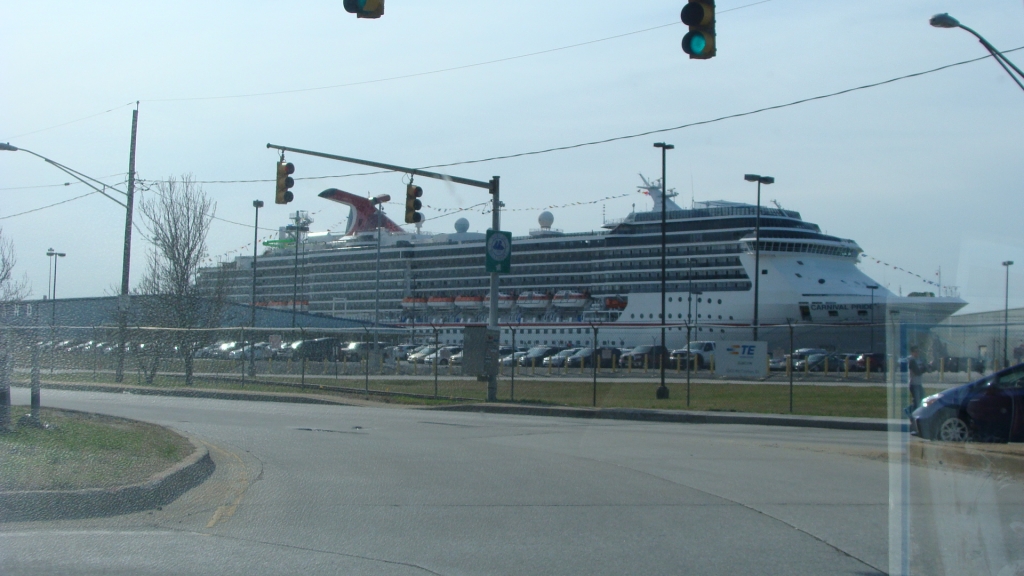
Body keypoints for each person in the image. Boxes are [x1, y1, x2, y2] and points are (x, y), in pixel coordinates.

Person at [908, 345, 927, 413]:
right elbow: (917, 372)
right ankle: (912, 413)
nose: (917, 353)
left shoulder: (918, 360)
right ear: (912, 352)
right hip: (914, 384)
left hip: (919, 384)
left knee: (922, 399)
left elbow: (925, 368)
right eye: (915, 352)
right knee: (917, 402)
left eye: (918, 351)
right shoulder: (911, 360)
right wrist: (923, 368)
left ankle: (912, 412)